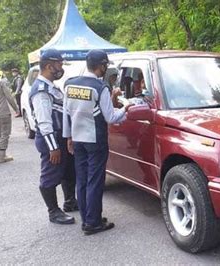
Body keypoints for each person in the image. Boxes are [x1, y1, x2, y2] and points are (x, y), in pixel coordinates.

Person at [63, 49, 130, 235]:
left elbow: (66, 114)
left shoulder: (70, 85)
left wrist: (68, 136)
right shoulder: (100, 88)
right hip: (95, 141)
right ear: (101, 66)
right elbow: (110, 117)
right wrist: (126, 108)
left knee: (82, 180)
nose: (105, 68)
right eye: (105, 65)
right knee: (95, 181)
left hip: (77, 139)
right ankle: (93, 223)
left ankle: (87, 219)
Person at [29, 49, 78, 225]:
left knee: (68, 171)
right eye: (59, 64)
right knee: (50, 174)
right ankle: (53, 211)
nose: (61, 67)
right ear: (49, 66)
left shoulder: (51, 86)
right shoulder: (41, 91)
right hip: (52, 139)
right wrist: (53, 147)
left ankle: (70, 201)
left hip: (61, 137)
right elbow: (44, 122)